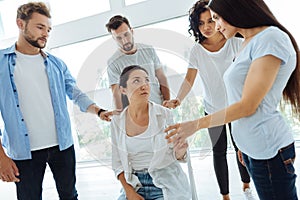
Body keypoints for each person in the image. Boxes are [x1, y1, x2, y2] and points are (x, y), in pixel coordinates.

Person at [165, 0, 300, 199]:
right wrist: (243, 143)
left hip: (268, 151)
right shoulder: (248, 42)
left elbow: (248, 105)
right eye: (208, 21)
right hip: (252, 148)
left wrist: (196, 125)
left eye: (217, 18)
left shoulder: (270, 38)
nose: (215, 26)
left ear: (235, 10)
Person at [0, 2, 112, 199]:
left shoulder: (56, 64)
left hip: (62, 145)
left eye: (49, 29)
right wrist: (1, 156)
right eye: (40, 27)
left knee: (70, 195)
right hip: (24, 152)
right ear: (20, 24)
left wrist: (99, 111)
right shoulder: (1, 63)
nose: (46, 34)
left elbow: (75, 93)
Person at [163, 1, 255, 199]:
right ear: (196, 26)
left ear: (218, 19)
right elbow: (189, 79)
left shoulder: (234, 41)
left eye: (211, 21)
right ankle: (225, 195)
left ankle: (247, 187)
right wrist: (177, 99)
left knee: (242, 148)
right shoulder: (197, 50)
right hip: (212, 110)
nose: (207, 27)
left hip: (236, 108)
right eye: (201, 23)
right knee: (219, 152)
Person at [111, 65, 191, 200]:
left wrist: (180, 150)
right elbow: (117, 163)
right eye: (137, 81)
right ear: (123, 89)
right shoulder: (117, 121)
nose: (144, 85)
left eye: (146, 80)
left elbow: (177, 155)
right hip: (135, 184)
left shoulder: (164, 114)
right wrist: (129, 193)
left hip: (164, 181)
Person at [106, 15, 170, 110]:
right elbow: (117, 95)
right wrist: (122, 119)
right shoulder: (113, 63)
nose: (124, 40)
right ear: (114, 39)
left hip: (159, 108)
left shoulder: (149, 50)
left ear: (132, 31)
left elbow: (161, 77)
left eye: (126, 34)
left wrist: (167, 104)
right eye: (119, 38)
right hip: (136, 117)